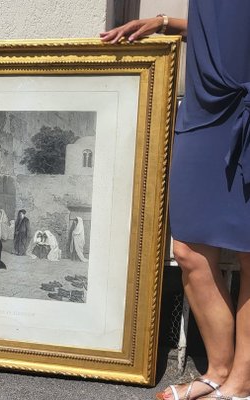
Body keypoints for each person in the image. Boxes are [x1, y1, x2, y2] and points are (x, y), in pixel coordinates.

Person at [101, 3, 250, 400]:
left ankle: (240, 382)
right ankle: (218, 370)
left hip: (245, 98)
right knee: (187, 248)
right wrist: (166, 23)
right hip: (205, 105)